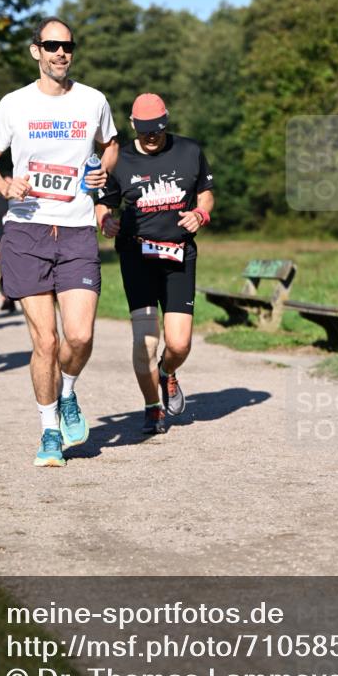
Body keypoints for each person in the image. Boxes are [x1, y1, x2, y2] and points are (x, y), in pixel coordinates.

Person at [0, 16, 118, 468]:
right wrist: (4, 187)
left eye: (68, 46)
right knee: (46, 343)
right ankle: (49, 431)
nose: (62, 53)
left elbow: (111, 144)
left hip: (76, 230)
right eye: (52, 45)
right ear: (35, 50)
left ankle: (69, 392)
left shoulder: (93, 100)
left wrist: (102, 170)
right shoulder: (14, 104)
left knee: (79, 335)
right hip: (26, 230)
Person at [95, 93, 214, 436]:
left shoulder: (189, 151)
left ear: (167, 121)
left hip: (178, 255)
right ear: (133, 125)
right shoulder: (119, 159)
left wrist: (200, 213)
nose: (151, 136)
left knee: (179, 344)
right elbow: (104, 203)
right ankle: (152, 407)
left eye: (158, 129)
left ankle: (166, 372)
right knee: (144, 341)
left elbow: (206, 192)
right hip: (137, 257)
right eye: (145, 130)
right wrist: (106, 221)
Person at [0, 175, 17, 313]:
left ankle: (13, 296)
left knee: (15, 266)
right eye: (4, 182)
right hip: (0, 236)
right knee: (3, 264)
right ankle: (5, 297)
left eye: (9, 182)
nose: (7, 185)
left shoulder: (19, 198)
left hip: (17, 237)